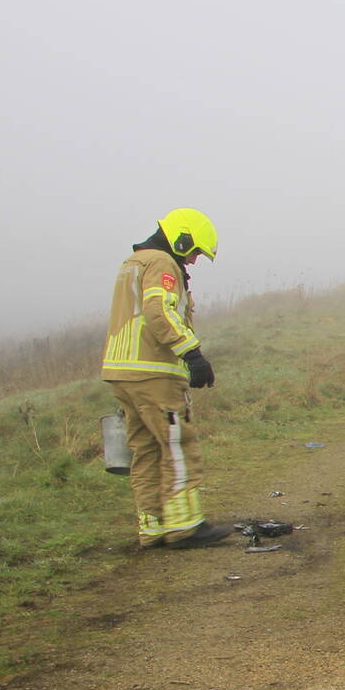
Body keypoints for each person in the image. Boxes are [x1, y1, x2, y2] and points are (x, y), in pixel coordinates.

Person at [100, 210, 232, 549]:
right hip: (153, 371)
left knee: (145, 449)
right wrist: (192, 353)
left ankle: (153, 526)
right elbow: (160, 312)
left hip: (122, 373)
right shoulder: (162, 263)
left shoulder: (134, 262)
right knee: (177, 444)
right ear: (181, 238)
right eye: (195, 251)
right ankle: (185, 526)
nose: (194, 260)